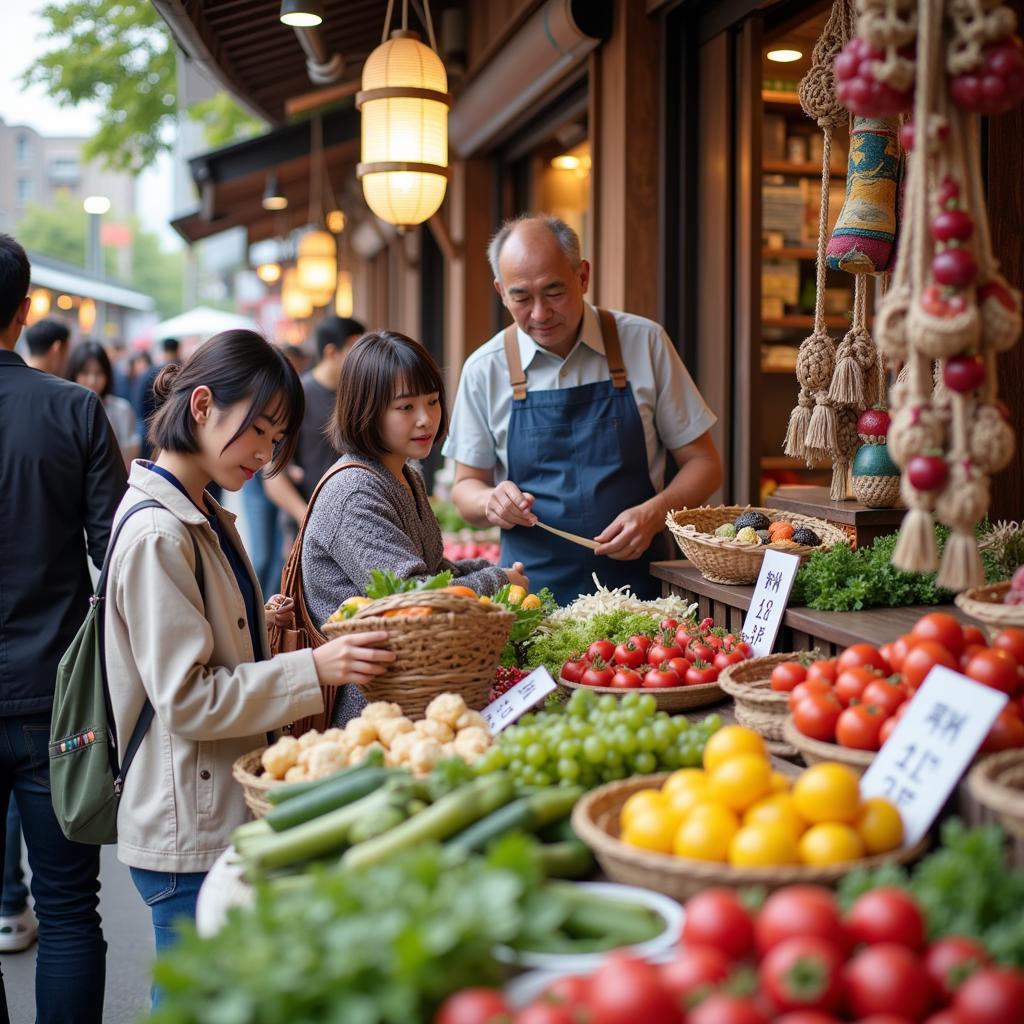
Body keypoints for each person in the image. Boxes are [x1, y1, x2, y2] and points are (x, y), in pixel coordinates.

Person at [102, 329, 395, 984]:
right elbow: (187, 698)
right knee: (197, 998)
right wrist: (315, 668)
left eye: (276, 439)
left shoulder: (196, 509)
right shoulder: (159, 530)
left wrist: (249, 623)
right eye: (259, 432)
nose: (265, 456)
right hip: (186, 824)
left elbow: (187, 649)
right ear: (201, 406)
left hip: (202, 807)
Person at [443, 214, 722, 604]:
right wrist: (490, 501)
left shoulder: (644, 343)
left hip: (643, 594)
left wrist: (654, 515)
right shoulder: (484, 369)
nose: (539, 313)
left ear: (583, 277)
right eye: (521, 297)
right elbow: (464, 488)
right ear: (501, 292)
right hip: (529, 598)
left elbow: (705, 464)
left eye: (554, 292)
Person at [0, 233, 127, 1024]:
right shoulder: (74, 409)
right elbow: (119, 564)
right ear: (23, 313)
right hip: (59, 706)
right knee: (73, 912)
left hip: (46, 701)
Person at [301, 330, 527, 725]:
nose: (426, 419)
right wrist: (496, 580)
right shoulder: (355, 493)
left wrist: (494, 574)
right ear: (366, 409)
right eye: (405, 407)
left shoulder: (405, 474)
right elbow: (413, 599)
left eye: (433, 401)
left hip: (409, 688)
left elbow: (435, 572)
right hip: (369, 708)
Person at [264, 315, 367, 531]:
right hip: (308, 529)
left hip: (356, 525)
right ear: (331, 352)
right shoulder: (298, 396)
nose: (363, 359)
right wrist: (309, 520)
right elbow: (273, 475)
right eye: (354, 351)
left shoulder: (361, 396)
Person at [67, 338, 141, 465]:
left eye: (99, 373)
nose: (92, 380)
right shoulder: (65, 409)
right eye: (85, 372)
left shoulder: (121, 409)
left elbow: (129, 456)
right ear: (74, 373)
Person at [133, 336, 180, 459]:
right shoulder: (184, 371)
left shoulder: (149, 372)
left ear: (163, 350)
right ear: (177, 350)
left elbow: (139, 402)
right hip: (175, 431)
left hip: (149, 428)